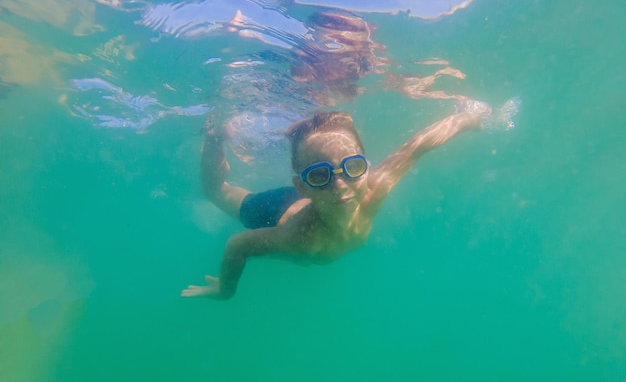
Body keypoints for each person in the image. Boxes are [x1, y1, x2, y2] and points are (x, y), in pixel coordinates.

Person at [182, 100, 511, 300]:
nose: (340, 185)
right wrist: (225, 290)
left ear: (365, 169)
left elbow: (417, 146)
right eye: (321, 175)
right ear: (304, 184)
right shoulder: (297, 239)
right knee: (216, 192)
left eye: (351, 168)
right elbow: (238, 245)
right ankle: (214, 134)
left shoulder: (373, 189)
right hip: (274, 211)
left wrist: (469, 117)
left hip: (311, 201)